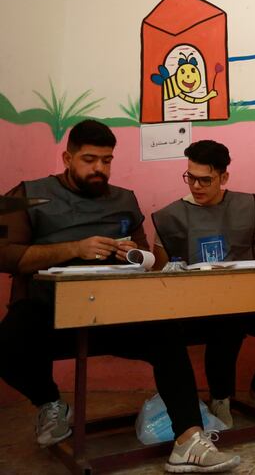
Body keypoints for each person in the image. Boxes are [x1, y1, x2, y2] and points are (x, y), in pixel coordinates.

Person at [0, 120, 239, 473]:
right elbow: (6, 255)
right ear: (67, 158)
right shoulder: (27, 194)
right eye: (90, 159)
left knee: (166, 331)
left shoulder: (124, 199)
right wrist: (76, 248)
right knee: (6, 347)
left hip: (116, 310)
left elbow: (146, 258)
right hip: (48, 312)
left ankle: (188, 439)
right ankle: (50, 403)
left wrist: (131, 254)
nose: (100, 168)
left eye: (107, 160)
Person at [152, 139, 255, 428]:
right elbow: (159, 272)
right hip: (195, 309)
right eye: (190, 178)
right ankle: (220, 398)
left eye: (205, 180)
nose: (196, 187)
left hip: (246, 301)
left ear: (224, 178)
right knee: (225, 322)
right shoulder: (170, 217)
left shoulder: (249, 206)